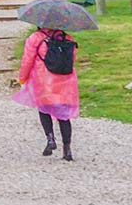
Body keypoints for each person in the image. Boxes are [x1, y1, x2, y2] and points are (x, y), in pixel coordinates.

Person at [13, 24, 81, 161]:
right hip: (65, 82)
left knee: (44, 110)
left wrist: (22, 78)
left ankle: (50, 139)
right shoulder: (67, 38)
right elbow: (71, 60)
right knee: (64, 116)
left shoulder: (35, 38)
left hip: (43, 80)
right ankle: (67, 150)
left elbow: (27, 60)